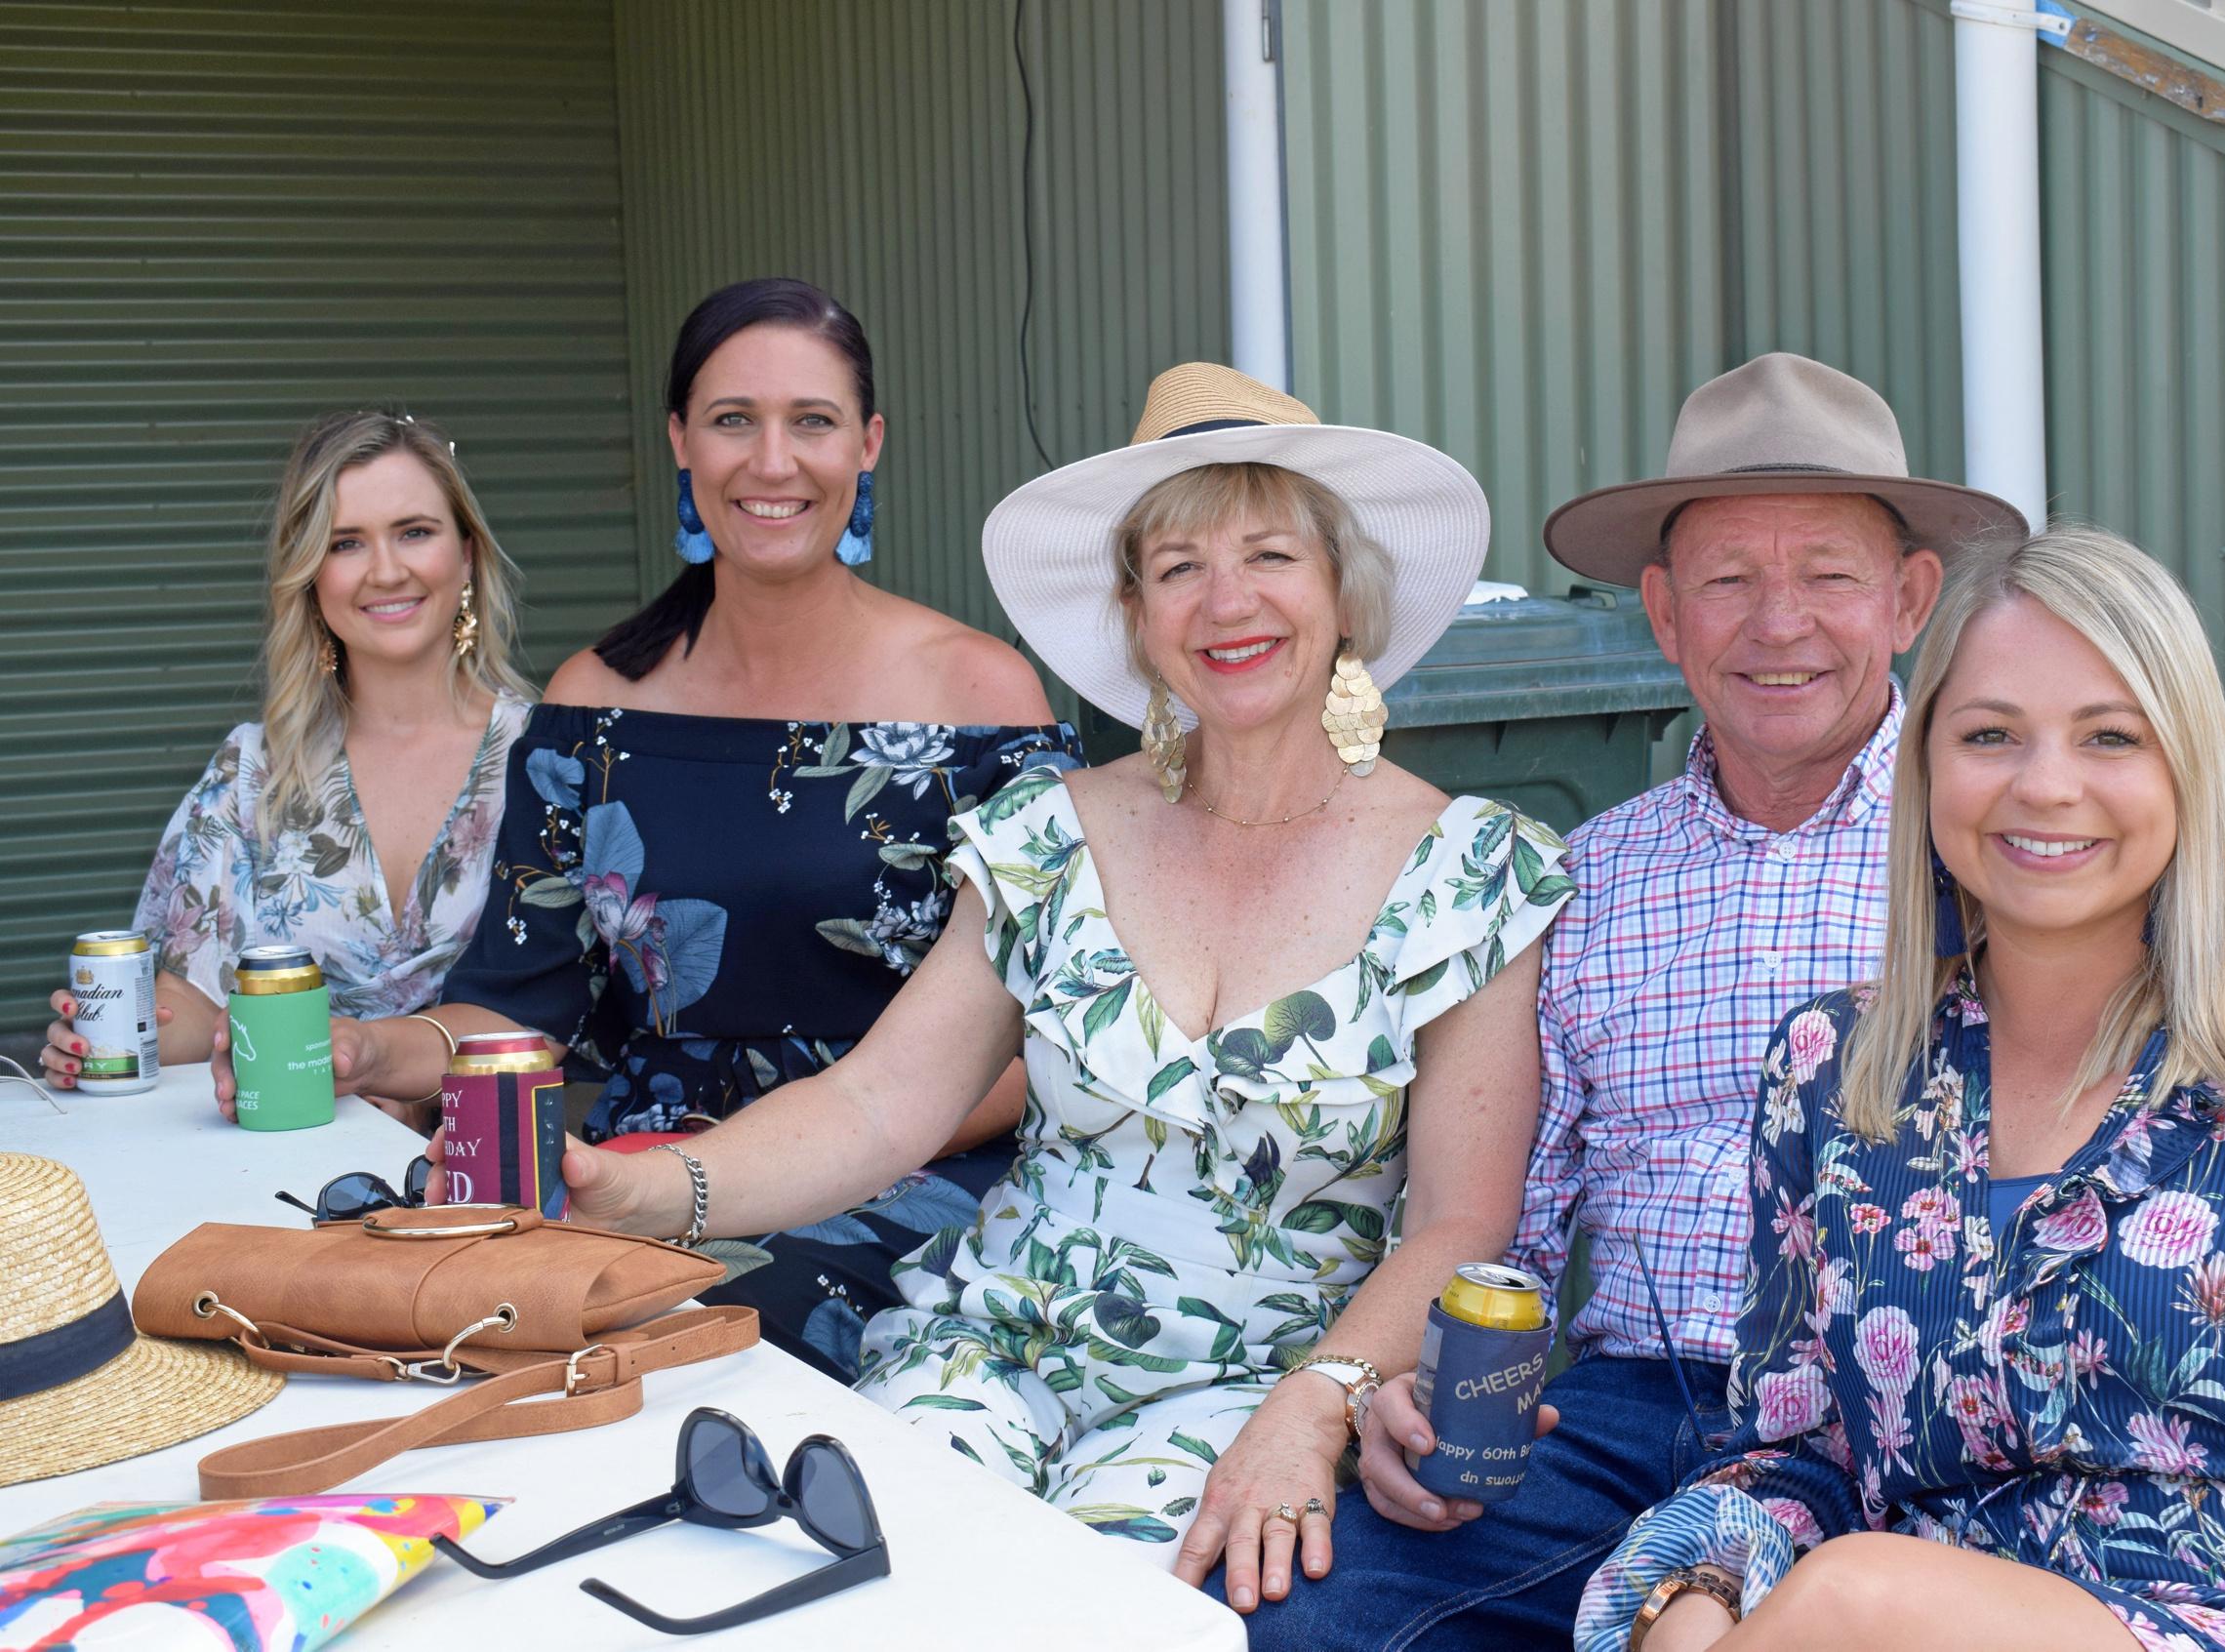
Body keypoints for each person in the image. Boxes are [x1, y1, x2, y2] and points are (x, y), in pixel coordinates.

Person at [558, 363, 1577, 1606]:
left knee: (1081, 1616)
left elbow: (1463, 1225)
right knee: (856, 1589)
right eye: (1179, 567)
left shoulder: (1472, 870)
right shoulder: (1047, 834)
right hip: (989, 1344)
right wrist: (647, 1190)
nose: (1227, 601)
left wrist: (1321, 1404)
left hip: (1255, 1383)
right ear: (1139, 613)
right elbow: (881, 1105)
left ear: (1342, 593)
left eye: (1270, 556)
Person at [1239, 353, 2024, 1648]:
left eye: (1826, 575)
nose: (1778, 623)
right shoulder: (1592, 874)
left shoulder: (1991, 839)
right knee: (1298, 1619)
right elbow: (1515, 1236)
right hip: (1620, 1411)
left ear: (1908, 599)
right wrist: (1423, 1399)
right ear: (1662, 614)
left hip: (1893, 1418)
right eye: (1728, 581)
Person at [1588, 523, 2225, 1652]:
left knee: (1858, 1600)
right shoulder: (1835, 1071)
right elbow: (1799, 1452)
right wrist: (1697, 1592)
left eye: (2109, 736)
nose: (2045, 786)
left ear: (2186, 766)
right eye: (1990, 734)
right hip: (1901, 1619)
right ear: (1926, 767)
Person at [211, 278, 1078, 1381]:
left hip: (902, 1178)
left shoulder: (979, 699)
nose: (772, 461)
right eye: (732, 421)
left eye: (810, 421)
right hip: (617, 1174)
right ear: (681, 441)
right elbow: (519, 1001)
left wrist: (724, 1171)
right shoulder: (597, 704)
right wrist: (360, 1049)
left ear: (868, 445)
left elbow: (1039, 1046)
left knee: (686, 1344)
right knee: (388, 1307)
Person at [40, 411, 531, 1121]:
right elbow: (194, 1002)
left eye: (414, 532)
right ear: (310, 578)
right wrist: (109, 1037)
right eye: (345, 543)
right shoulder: (253, 771)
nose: (386, 569)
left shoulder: (546, 761)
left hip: (493, 1160)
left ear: (468, 556)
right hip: (291, 1158)